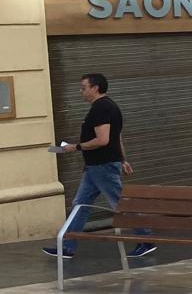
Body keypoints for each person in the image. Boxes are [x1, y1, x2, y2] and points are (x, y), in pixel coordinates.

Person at [43, 73, 155, 260]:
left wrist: (74, 147)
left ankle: (147, 239)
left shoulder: (101, 108)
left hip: (102, 166)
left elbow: (103, 140)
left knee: (120, 203)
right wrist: (122, 159)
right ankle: (67, 247)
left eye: (83, 87)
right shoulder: (109, 106)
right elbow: (116, 137)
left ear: (95, 88)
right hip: (95, 166)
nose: (81, 92)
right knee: (81, 205)